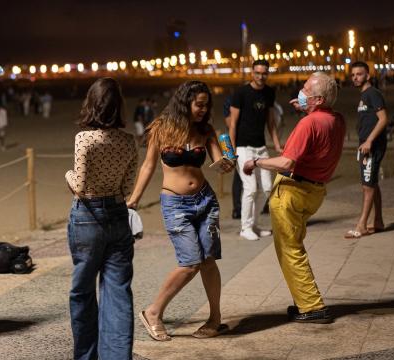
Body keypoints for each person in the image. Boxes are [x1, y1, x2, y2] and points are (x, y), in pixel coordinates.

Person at [128, 81, 234, 341]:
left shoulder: (206, 129)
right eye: (199, 104)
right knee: (190, 263)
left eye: (206, 105)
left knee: (208, 261)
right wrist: (134, 199)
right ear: (185, 101)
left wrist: (227, 160)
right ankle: (153, 312)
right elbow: (148, 167)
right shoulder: (161, 128)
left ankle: (215, 319)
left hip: (205, 200)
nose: (203, 109)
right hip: (175, 204)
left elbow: (219, 159)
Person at [243, 71, 345, 323]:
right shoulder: (337, 120)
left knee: (290, 250)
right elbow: (318, 135)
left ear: (318, 99)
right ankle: (305, 302)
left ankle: (312, 306)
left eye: (307, 90)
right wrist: (306, 108)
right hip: (315, 191)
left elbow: (287, 161)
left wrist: (256, 162)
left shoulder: (309, 124)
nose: (301, 90)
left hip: (293, 191)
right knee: (294, 246)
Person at [65, 78, 138, 360]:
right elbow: (127, 189)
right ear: (118, 106)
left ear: (92, 104)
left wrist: (66, 176)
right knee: (118, 293)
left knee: (82, 292)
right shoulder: (128, 142)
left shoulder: (84, 139)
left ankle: (86, 356)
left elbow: (80, 185)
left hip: (87, 217)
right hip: (118, 216)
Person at [229, 60, 283, 241]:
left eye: (264, 73)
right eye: (257, 73)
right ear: (252, 72)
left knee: (267, 188)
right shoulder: (241, 92)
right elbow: (233, 124)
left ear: (268, 73)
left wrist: (276, 145)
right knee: (250, 188)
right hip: (243, 148)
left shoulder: (269, 92)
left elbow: (270, 122)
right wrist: (230, 152)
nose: (261, 76)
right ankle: (245, 227)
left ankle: (254, 225)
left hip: (261, 147)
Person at [345, 61, 389, 238]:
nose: (355, 77)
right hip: (365, 145)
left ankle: (362, 225)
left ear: (368, 76)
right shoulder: (364, 95)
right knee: (372, 183)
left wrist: (369, 141)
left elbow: (383, 119)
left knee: (367, 186)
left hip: (372, 145)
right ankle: (378, 221)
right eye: (353, 74)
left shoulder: (373, 94)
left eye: (359, 74)